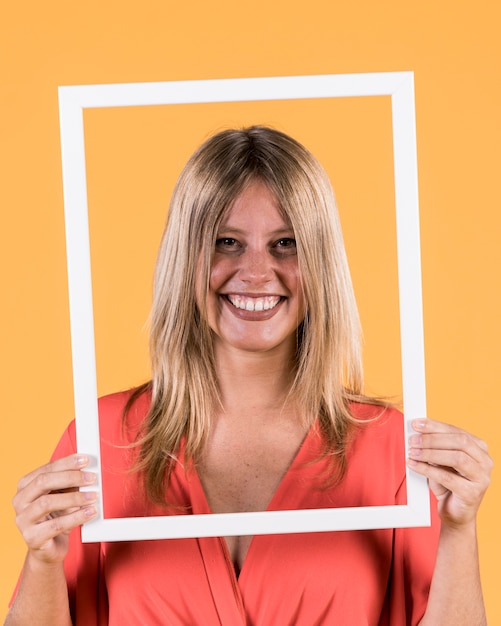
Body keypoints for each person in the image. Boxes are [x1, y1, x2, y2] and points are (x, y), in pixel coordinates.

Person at [6, 126, 492, 625]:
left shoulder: (392, 449)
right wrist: (43, 559)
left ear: (320, 262)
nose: (257, 272)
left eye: (285, 243)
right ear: (185, 258)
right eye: (227, 242)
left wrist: (459, 528)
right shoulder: (101, 441)